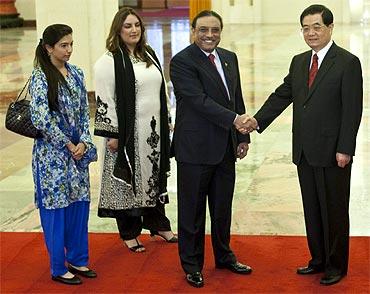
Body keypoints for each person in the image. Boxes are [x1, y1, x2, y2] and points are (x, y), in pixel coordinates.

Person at [242, 4, 363, 286]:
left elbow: (352, 110)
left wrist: (345, 148)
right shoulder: (299, 62)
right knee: (312, 208)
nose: (311, 33)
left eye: (317, 26)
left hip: (334, 153)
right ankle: (318, 259)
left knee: (333, 210)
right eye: (306, 28)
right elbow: (283, 95)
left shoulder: (347, 62)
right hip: (305, 151)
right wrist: (256, 121)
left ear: (330, 28)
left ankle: (336, 266)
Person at [170, 10, 252, 288]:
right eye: (203, 30)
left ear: (221, 31)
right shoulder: (182, 61)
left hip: (225, 146)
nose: (209, 35)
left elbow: (236, 97)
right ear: (193, 31)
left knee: (221, 208)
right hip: (194, 148)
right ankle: (192, 265)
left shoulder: (230, 58)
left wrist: (242, 137)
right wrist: (234, 120)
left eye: (215, 30)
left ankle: (224, 256)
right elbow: (197, 100)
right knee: (192, 211)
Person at [93, 7, 177, 253]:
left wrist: (166, 118)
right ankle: (129, 232)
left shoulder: (148, 54)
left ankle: (158, 224)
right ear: (118, 30)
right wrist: (113, 134)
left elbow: (161, 90)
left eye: (137, 25)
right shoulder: (108, 62)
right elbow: (105, 99)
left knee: (154, 178)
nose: (133, 30)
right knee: (127, 183)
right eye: (128, 26)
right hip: (126, 135)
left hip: (153, 131)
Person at [29, 24, 98, 285]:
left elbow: (83, 114)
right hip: (52, 157)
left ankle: (79, 258)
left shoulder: (77, 73)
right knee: (56, 210)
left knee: (79, 205)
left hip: (76, 155)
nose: (69, 50)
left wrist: (83, 143)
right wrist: (68, 144)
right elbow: (41, 119)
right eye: (63, 45)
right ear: (48, 47)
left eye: (71, 44)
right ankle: (58, 267)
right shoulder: (40, 77)